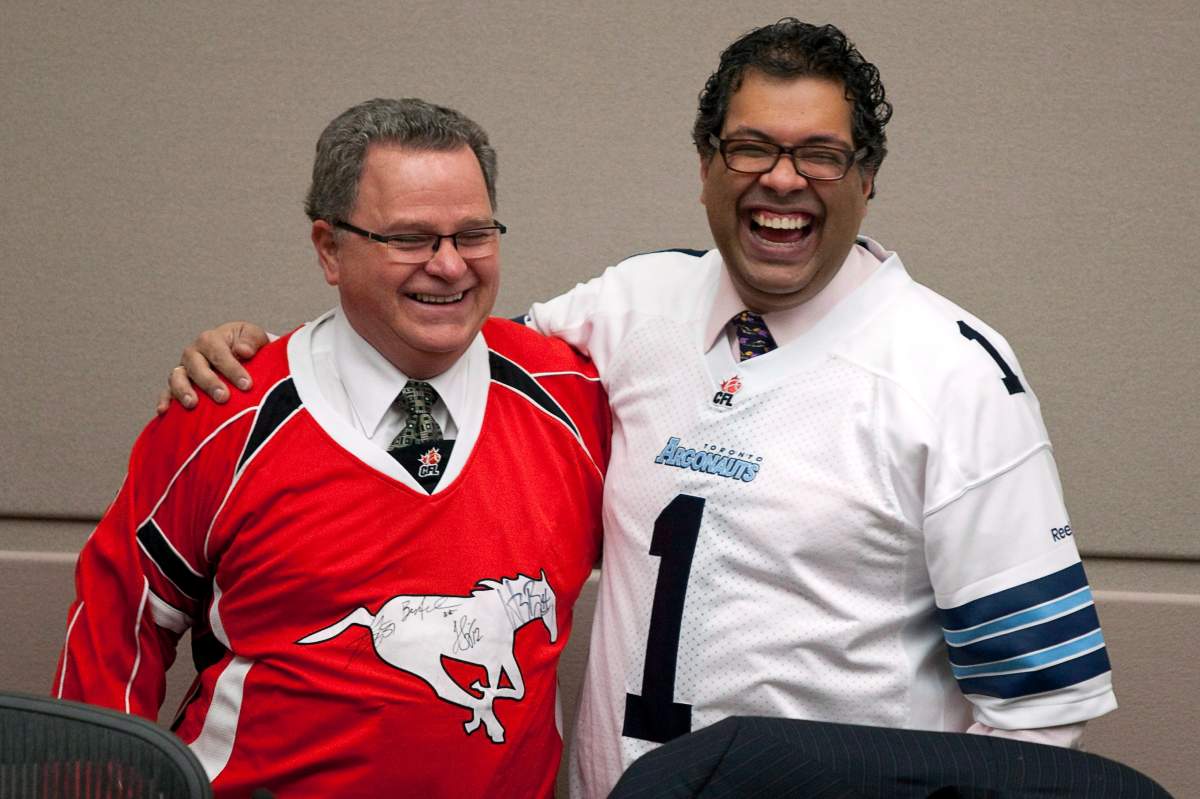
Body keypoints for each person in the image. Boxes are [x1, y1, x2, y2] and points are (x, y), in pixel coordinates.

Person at [162, 20, 1118, 799]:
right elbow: (433, 339)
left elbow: (1038, 718)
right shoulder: (630, 308)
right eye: (750, 147)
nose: (781, 180)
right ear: (705, 164)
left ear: (867, 178)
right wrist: (272, 357)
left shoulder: (954, 378)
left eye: (821, 155)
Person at [55, 98, 609, 798]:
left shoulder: (573, 398)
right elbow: (113, 633)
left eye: (472, 233)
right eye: (409, 238)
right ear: (328, 249)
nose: (449, 265)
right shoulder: (223, 416)